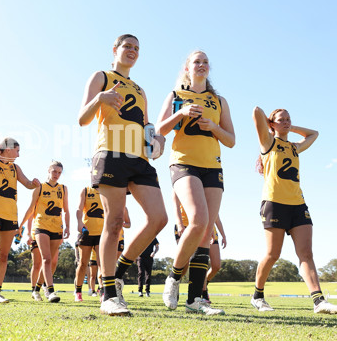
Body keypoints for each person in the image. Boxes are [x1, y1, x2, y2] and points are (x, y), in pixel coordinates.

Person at [78, 34, 168, 316]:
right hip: (110, 154)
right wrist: (100, 98)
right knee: (114, 221)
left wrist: (158, 139)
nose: (132, 51)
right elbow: (82, 118)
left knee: (159, 218)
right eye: (127, 46)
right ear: (115, 50)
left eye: (136, 48)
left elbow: (146, 124)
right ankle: (108, 295)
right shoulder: (101, 76)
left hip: (139, 159)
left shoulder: (140, 90)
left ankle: (118, 270)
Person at [157, 50, 235, 315]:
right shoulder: (176, 95)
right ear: (187, 69)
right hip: (183, 163)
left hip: (212, 166)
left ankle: (195, 300)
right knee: (199, 220)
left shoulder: (219, 100)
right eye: (196, 62)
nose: (201, 65)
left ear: (208, 68)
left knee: (205, 232)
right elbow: (158, 130)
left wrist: (213, 127)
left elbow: (231, 140)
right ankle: (174, 276)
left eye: (205, 62)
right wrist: (181, 114)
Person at [250, 107, 337, 314]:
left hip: (298, 204)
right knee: (272, 254)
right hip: (274, 203)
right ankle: (257, 296)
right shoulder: (268, 143)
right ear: (272, 124)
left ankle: (319, 301)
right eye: (281, 120)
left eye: (289, 119)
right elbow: (256, 112)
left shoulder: (295, 147)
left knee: (306, 253)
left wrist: (290, 127)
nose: (286, 122)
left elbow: (314, 134)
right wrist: (269, 124)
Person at [0, 138, 40, 304]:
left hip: (10, 214)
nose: (18, 155)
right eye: (17, 151)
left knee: (4, 255)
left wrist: (33, 184)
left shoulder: (15, 167)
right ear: (7, 149)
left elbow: (26, 183)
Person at [19, 161, 70, 303]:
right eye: (54, 171)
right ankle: (51, 291)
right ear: (48, 170)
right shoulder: (39, 187)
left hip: (56, 227)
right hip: (41, 227)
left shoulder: (63, 189)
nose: (56, 175)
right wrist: (21, 225)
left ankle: (36, 290)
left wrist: (68, 226)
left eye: (59, 173)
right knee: (45, 259)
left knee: (51, 262)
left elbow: (66, 210)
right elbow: (30, 209)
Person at [173, 193, 226, 304]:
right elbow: (175, 201)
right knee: (184, 265)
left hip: (208, 228)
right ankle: (174, 283)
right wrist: (179, 224)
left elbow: (215, 215)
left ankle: (203, 288)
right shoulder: (187, 180)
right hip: (186, 226)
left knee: (216, 265)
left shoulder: (209, 185)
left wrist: (223, 235)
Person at [73, 186, 103, 302]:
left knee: (102, 265)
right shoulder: (85, 190)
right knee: (83, 263)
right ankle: (78, 291)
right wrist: (79, 222)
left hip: (102, 233)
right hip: (87, 232)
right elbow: (79, 209)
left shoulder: (108, 190)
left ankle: (103, 291)